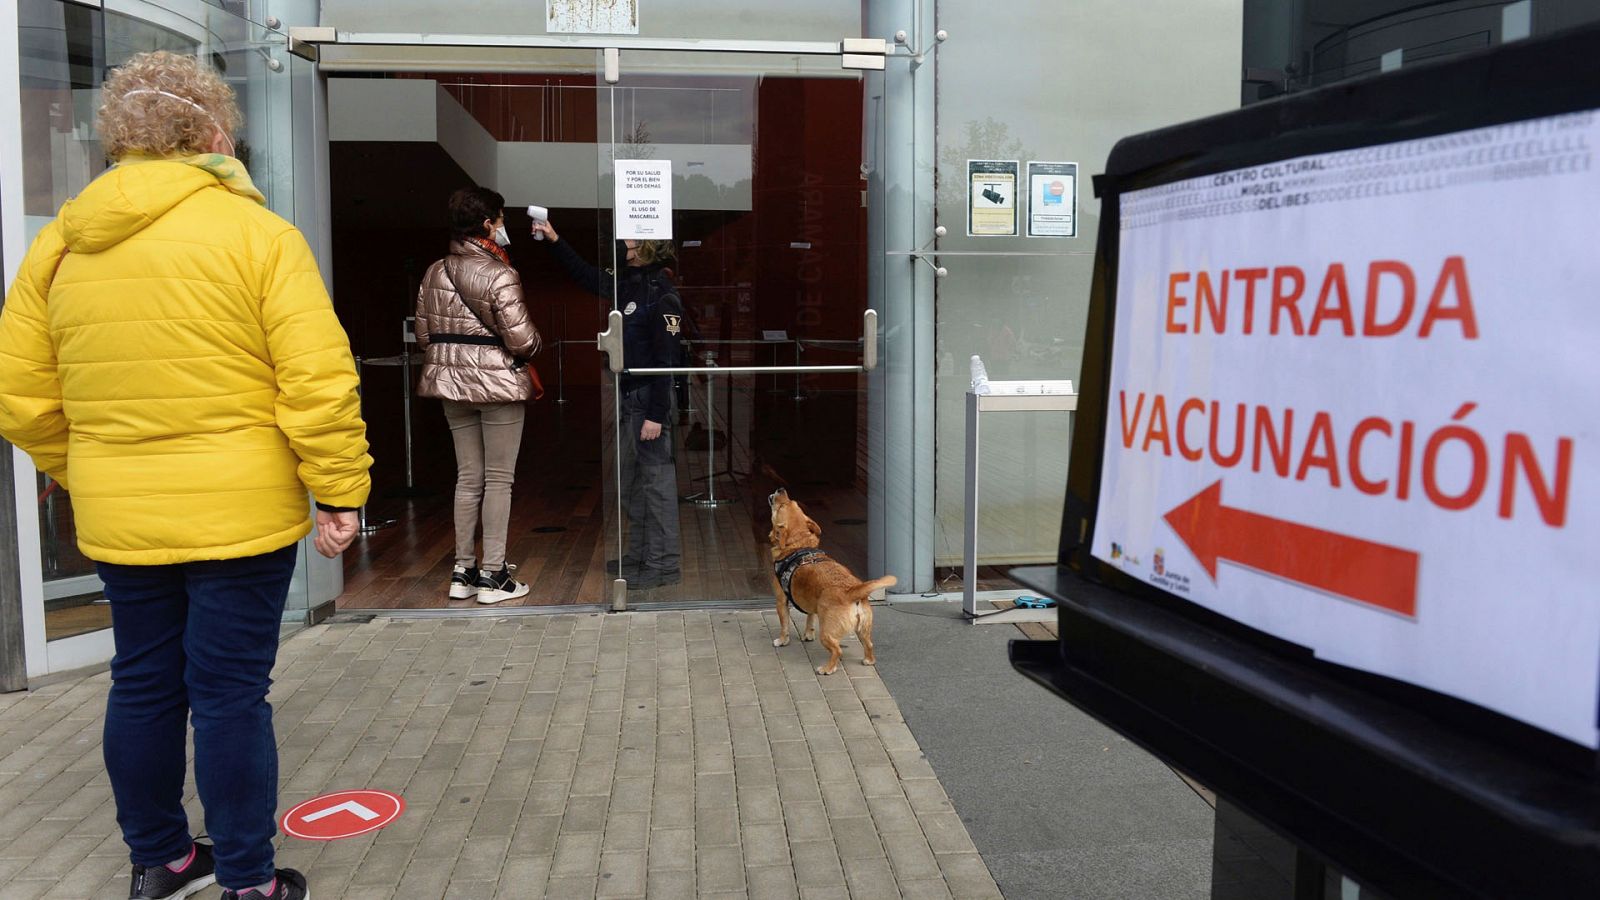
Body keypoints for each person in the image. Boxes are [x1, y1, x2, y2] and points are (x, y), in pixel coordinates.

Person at [0, 52, 370, 900]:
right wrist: (339, 490)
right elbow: (317, 382)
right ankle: (247, 880)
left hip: (121, 517)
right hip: (241, 512)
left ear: (118, 138)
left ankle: (161, 861)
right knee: (232, 692)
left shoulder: (58, 247)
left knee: (141, 681)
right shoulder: (258, 236)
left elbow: (22, 399)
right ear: (212, 133)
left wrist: (89, 469)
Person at [532, 218, 683, 589]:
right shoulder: (629, 284)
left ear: (646, 244)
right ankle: (640, 555)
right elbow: (587, 276)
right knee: (636, 482)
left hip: (649, 401)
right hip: (632, 396)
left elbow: (667, 362)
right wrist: (554, 238)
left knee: (657, 483)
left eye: (632, 232)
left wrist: (656, 416)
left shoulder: (660, 293)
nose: (623, 237)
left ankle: (663, 564)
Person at [416, 187, 542, 603]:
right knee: (499, 481)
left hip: (451, 385)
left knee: (467, 478)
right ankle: (493, 576)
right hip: (497, 386)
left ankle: (462, 571)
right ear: (488, 223)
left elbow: (423, 335)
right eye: (501, 219)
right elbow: (523, 341)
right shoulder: (500, 273)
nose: (504, 226)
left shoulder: (436, 270)